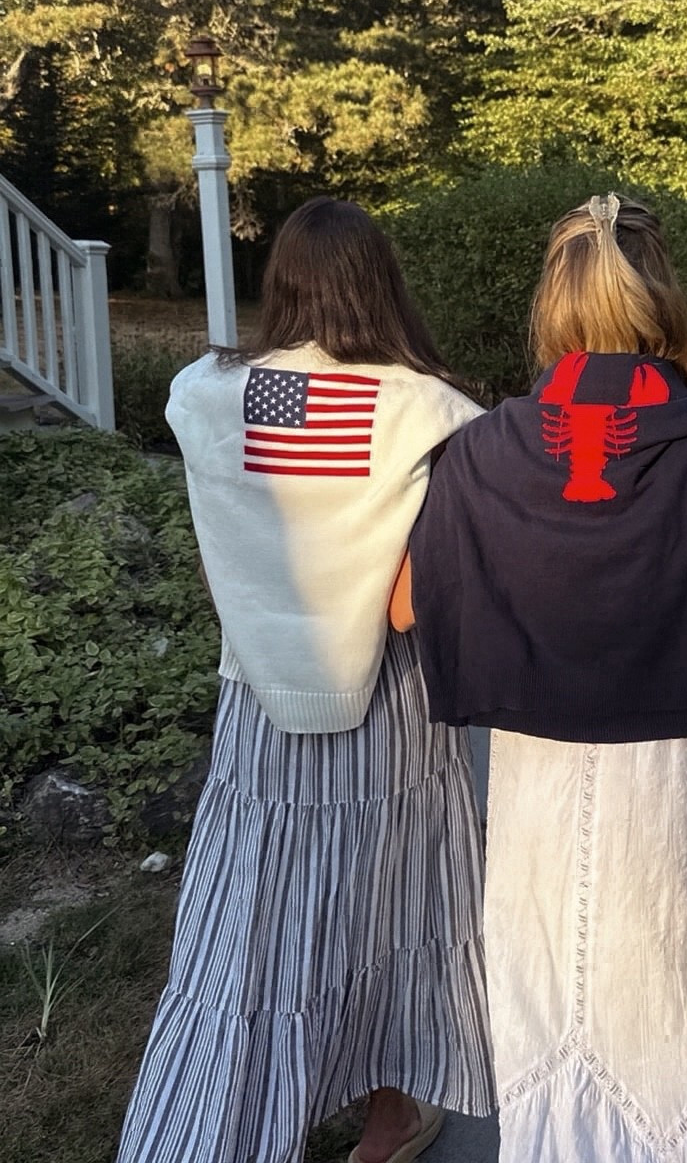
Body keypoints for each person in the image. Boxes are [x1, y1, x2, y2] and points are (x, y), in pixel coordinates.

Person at [399, 194, 687, 1163]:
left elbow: (416, 608)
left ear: (551, 308)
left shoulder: (478, 454)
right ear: (666, 301)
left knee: (559, 1014)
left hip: (536, 789)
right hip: (675, 790)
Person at [116, 198, 495, 1163]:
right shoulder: (426, 410)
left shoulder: (211, 394)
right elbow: (413, 600)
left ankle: (227, 1129)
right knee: (393, 911)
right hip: (388, 712)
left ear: (280, 283)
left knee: (258, 928)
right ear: (382, 286)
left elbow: (231, 502)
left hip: (258, 705)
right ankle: (389, 1120)